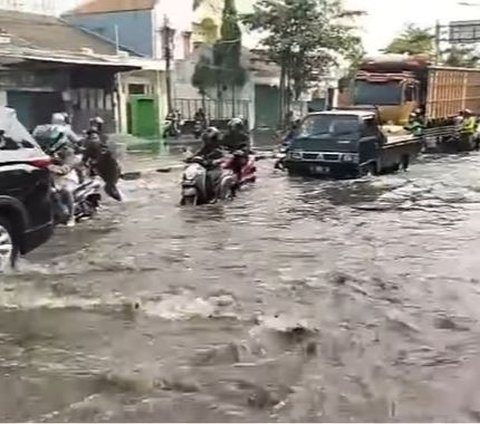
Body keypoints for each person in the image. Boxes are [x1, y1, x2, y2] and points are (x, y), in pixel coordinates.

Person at [83, 119, 123, 202]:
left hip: (108, 168)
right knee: (109, 186)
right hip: (108, 169)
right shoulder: (100, 143)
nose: (93, 140)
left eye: (94, 138)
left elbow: (85, 161)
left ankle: (119, 201)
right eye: (92, 138)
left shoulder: (97, 145)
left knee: (109, 186)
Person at [193, 127, 224, 201]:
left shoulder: (218, 149)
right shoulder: (205, 147)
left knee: (210, 177)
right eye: (205, 139)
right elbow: (198, 154)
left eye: (208, 139)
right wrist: (191, 158)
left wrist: (212, 161)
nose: (207, 141)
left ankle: (213, 196)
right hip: (204, 168)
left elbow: (221, 158)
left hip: (215, 168)